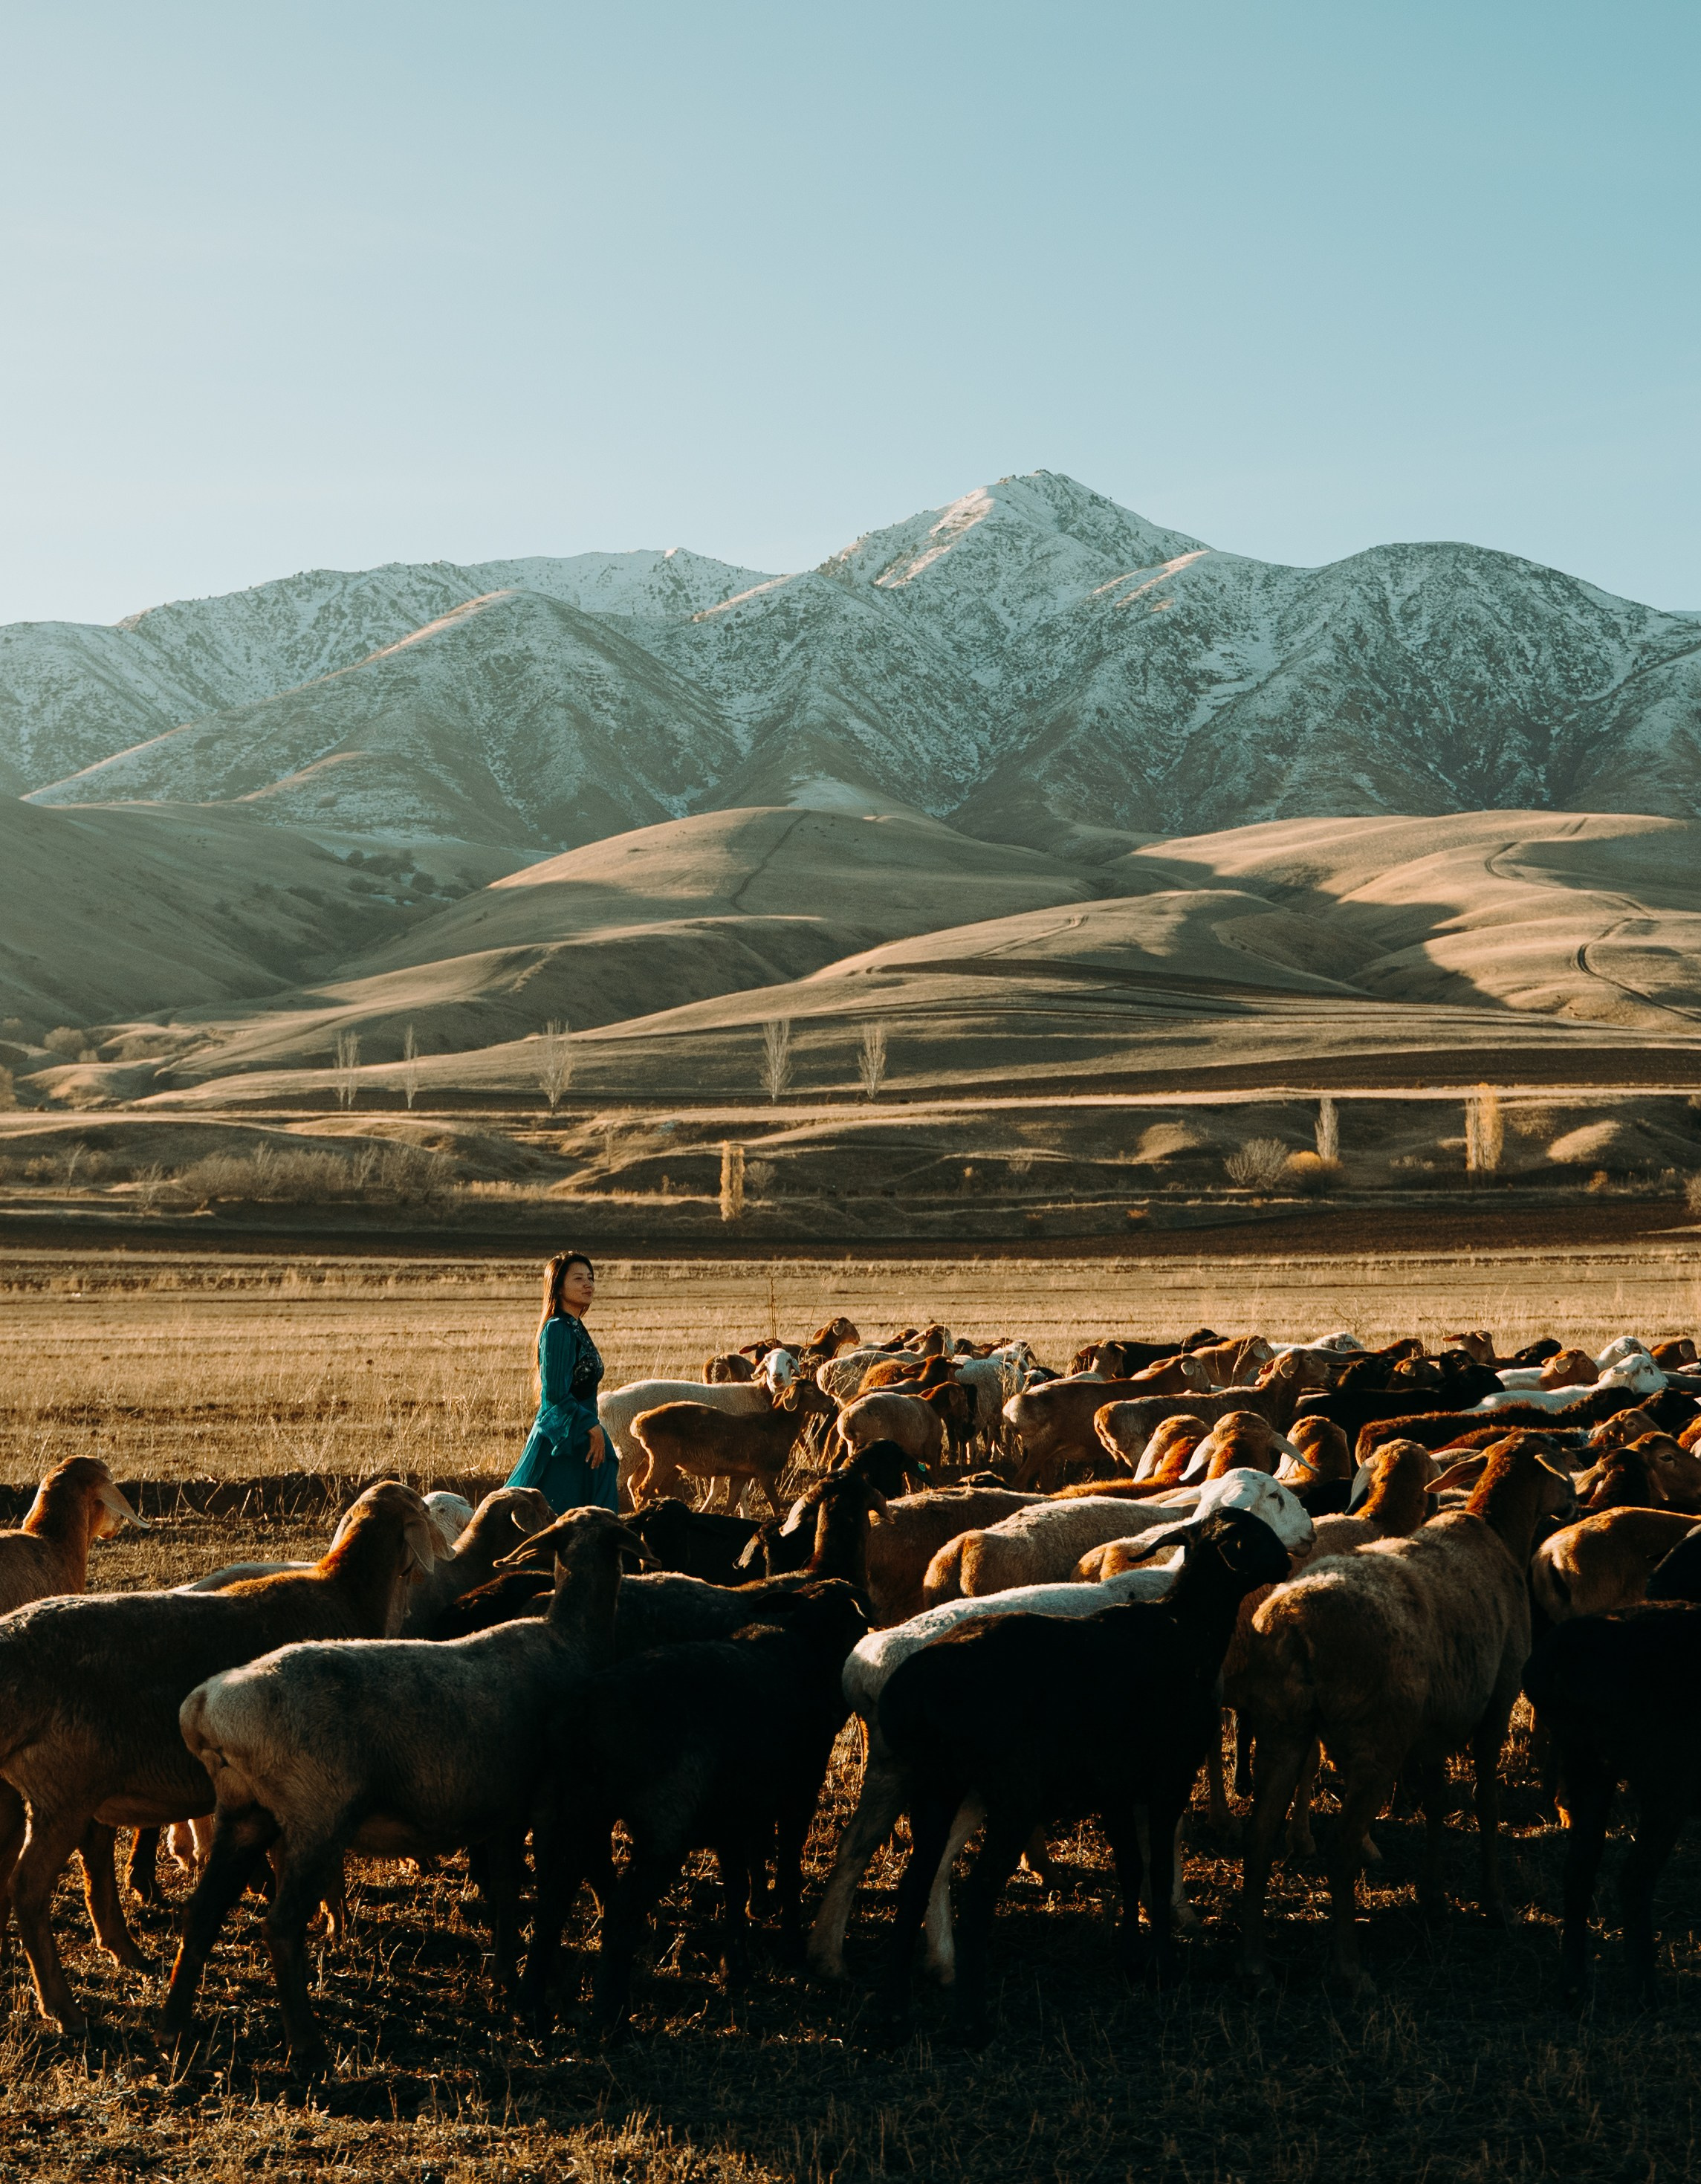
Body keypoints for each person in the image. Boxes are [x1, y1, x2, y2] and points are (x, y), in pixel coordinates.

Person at [505, 1251, 619, 1513]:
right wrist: (591, 1426)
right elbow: (555, 1392)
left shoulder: (575, 1326)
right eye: (578, 1278)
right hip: (563, 1441)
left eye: (590, 1278)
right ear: (557, 1286)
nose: (588, 1284)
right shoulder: (557, 1328)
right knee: (551, 1522)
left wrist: (593, 1429)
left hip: (583, 1438)